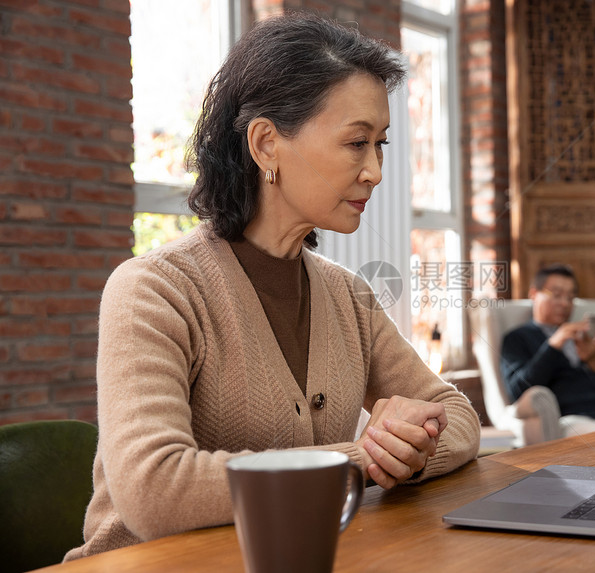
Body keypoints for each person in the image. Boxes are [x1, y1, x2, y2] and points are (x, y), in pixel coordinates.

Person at [65, 13, 480, 560]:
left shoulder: (348, 296)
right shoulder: (153, 290)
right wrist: (363, 458)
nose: (375, 170)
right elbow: (155, 489)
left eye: (379, 144)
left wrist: (412, 449)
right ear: (265, 144)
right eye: (356, 143)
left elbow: (459, 416)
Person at [500, 264, 595, 427]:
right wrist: (553, 345)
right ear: (534, 294)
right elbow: (519, 391)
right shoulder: (517, 338)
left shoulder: (585, 335)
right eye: (557, 295)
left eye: (571, 298)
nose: (565, 303)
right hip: (575, 420)